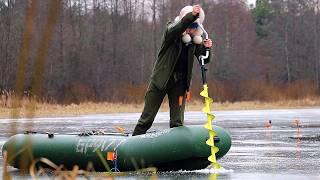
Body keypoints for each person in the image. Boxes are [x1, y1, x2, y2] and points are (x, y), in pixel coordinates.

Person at [132, 5, 213, 136]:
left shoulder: (194, 42)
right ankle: (133, 145)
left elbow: (204, 59)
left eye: (194, 27)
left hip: (180, 84)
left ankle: (176, 150)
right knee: (146, 120)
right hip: (160, 81)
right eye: (188, 26)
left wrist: (207, 48)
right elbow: (177, 27)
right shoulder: (171, 33)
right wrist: (191, 15)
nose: (190, 30)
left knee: (177, 122)